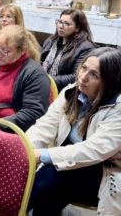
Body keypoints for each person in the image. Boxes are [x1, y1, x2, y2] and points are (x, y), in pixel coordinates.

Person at [26, 47, 121, 215]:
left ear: (110, 82)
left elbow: (94, 150)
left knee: (51, 177)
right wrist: (24, 151)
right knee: (45, 182)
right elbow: (44, 127)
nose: (83, 78)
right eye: (84, 68)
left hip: (104, 175)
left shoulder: (117, 108)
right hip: (67, 165)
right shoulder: (71, 91)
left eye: (94, 75)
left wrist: (43, 155)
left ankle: (12, 209)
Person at [0, 25, 50, 131]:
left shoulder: (35, 74)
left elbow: (33, 112)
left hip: (4, 129)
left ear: (22, 50)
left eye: (5, 51)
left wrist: (0, 125)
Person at [41, 9, 96, 91]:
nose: (60, 26)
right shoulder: (51, 41)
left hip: (66, 92)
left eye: (66, 24)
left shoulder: (86, 48)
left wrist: (47, 80)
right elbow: (39, 62)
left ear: (77, 28)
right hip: (44, 85)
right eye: (60, 22)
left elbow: (76, 76)